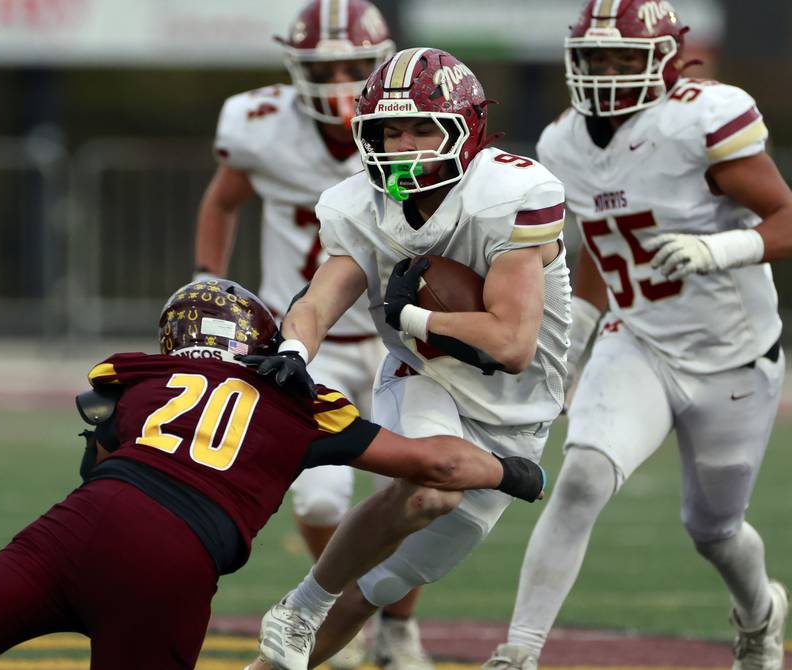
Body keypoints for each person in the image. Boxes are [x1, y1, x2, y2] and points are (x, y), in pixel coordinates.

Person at [0, 278, 546, 670]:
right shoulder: (298, 402)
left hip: (73, 530)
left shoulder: (142, 371)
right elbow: (440, 462)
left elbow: (97, 451)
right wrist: (512, 474)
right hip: (174, 553)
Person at [482, 1, 792, 669]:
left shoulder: (700, 120)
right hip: (640, 340)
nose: (610, 71)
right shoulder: (564, 140)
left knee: (714, 531)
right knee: (583, 476)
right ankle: (520, 651)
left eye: (627, 57)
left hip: (733, 359)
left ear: (667, 59)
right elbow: (600, 244)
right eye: (598, 57)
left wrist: (723, 250)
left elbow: (786, 218)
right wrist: (579, 337)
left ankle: (760, 617)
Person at [243, 46, 571, 670]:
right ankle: (300, 606)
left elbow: (511, 344)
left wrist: (413, 314)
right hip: (425, 375)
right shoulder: (356, 203)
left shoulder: (510, 192)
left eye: (424, 127)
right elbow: (319, 299)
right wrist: (294, 347)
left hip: (519, 410)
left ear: (466, 130)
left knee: (381, 588)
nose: (404, 144)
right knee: (429, 494)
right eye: (389, 129)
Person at [193, 2, 433, 667]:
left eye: (357, 66)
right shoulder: (262, 126)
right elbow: (223, 197)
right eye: (326, 68)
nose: (340, 81)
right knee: (322, 494)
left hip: (401, 343)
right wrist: (207, 279)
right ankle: (332, 606)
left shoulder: (412, 128)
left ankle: (397, 624)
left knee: (420, 493)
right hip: (304, 343)